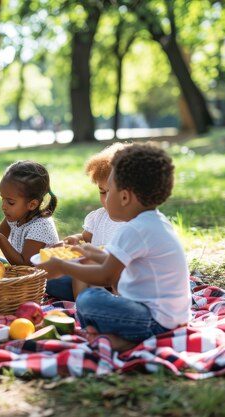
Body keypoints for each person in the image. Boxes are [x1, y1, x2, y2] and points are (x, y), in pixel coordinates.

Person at [38, 143, 191, 352]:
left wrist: (64, 267)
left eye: (107, 192)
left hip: (154, 321)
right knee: (93, 296)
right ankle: (123, 340)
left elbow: (105, 276)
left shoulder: (134, 229)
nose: (104, 199)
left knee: (88, 299)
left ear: (124, 197)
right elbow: (118, 262)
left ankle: (132, 338)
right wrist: (91, 252)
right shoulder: (153, 221)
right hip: (172, 317)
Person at [46, 142, 128, 301]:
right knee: (50, 280)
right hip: (92, 276)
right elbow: (86, 237)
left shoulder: (132, 222)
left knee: (84, 266)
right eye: (102, 192)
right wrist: (76, 239)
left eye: (110, 192)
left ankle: (86, 304)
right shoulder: (98, 217)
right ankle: (87, 301)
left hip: (120, 278)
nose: (106, 199)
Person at [0, 160, 59, 266]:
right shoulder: (15, 217)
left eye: (10, 202)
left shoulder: (41, 225)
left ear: (32, 204)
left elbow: (25, 265)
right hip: (20, 271)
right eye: (2, 199)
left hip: (42, 278)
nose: (3, 206)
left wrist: (0, 239)